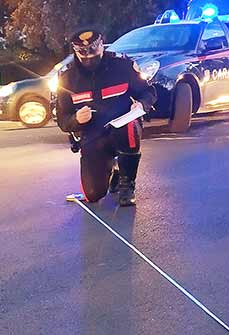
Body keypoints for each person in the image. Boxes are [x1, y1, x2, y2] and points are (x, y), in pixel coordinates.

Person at [56, 27, 157, 207]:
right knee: (93, 194)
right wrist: (76, 119)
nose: (89, 57)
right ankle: (113, 169)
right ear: (76, 51)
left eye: (93, 50)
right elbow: (63, 120)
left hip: (122, 127)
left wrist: (141, 105)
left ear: (102, 45)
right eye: (83, 53)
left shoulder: (122, 66)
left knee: (129, 127)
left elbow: (149, 92)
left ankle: (127, 184)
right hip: (92, 135)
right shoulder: (67, 78)